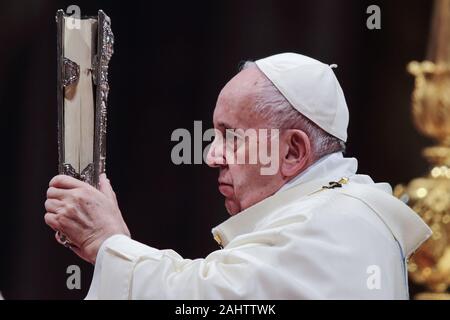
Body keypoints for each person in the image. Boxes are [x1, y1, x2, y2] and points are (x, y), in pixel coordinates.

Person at [44, 53, 431, 299]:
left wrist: (107, 243)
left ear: (293, 151)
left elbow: (206, 300)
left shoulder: (337, 225)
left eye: (232, 136)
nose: (212, 156)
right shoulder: (330, 213)